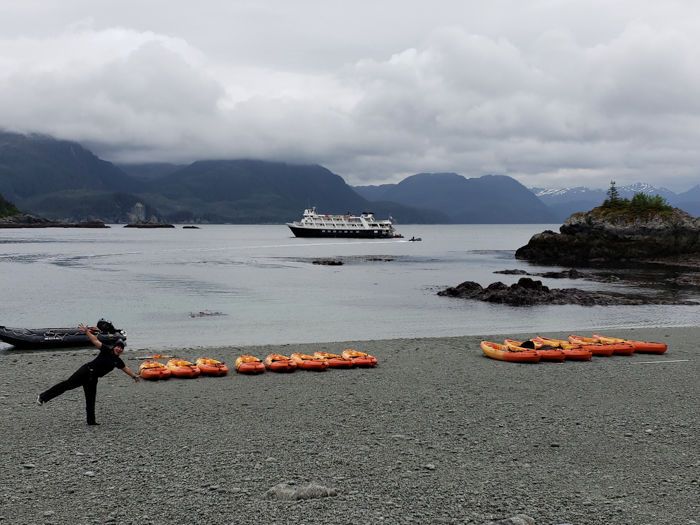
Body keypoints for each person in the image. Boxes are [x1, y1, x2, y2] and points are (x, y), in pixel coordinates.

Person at [37, 323, 140, 425]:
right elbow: (95, 341)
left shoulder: (117, 361)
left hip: (93, 378)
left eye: (121, 348)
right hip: (86, 371)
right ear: (114, 347)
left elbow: (125, 368)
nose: (119, 349)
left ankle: (91, 421)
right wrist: (87, 332)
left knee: (91, 399)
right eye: (118, 347)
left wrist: (134, 376)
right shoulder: (106, 350)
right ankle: (43, 397)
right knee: (67, 385)